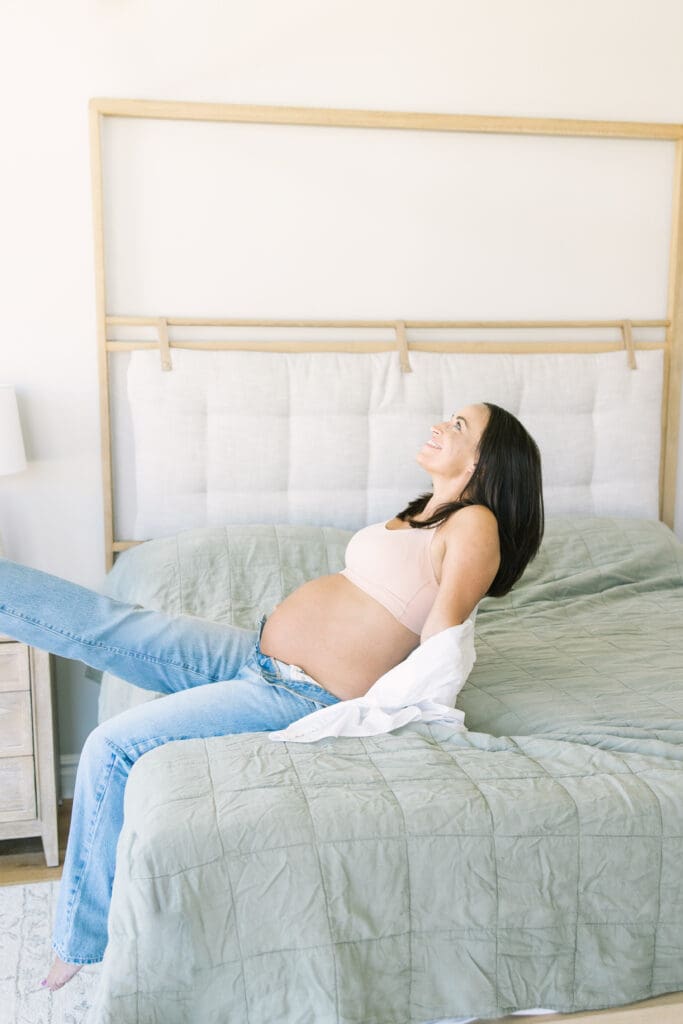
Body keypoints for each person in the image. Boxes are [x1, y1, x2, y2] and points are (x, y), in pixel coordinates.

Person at [0, 401, 543, 991]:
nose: (440, 425)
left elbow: (444, 637)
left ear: (486, 459)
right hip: (255, 658)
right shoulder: (424, 511)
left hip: (301, 694)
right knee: (113, 623)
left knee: (112, 747)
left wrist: (427, 725)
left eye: (460, 425)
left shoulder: (475, 524)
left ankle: (79, 943)